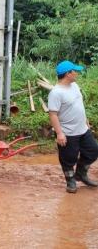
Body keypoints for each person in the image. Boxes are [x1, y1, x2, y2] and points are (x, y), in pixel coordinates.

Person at [48, 60, 98, 193]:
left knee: (93, 151)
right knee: (68, 158)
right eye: (75, 71)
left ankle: (80, 173)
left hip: (82, 129)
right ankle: (70, 181)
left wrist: (85, 119)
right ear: (67, 74)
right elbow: (53, 114)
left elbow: (79, 104)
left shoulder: (74, 85)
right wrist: (59, 133)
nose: (77, 73)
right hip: (68, 132)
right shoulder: (56, 92)